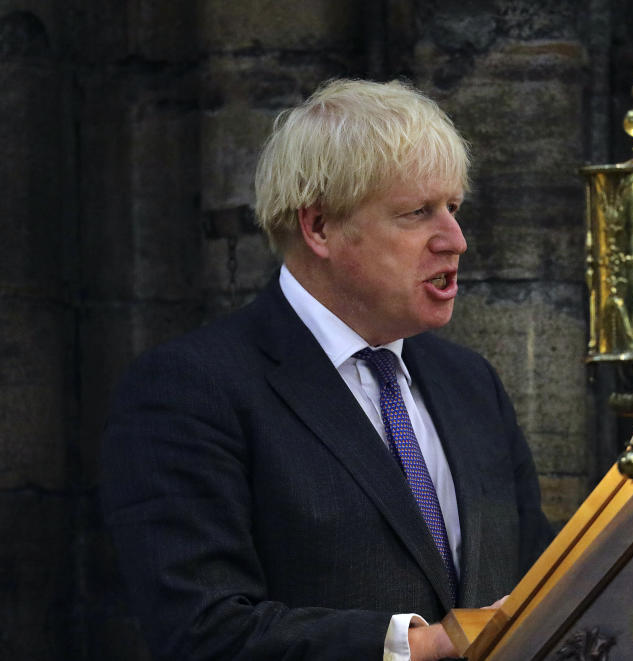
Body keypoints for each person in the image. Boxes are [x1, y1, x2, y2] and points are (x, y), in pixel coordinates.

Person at [100, 78, 554, 661]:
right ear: (319, 228)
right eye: (418, 213)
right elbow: (201, 630)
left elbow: (539, 582)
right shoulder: (191, 389)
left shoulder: (471, 384)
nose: (456, 240)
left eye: (454, 208)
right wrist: (423, 647)